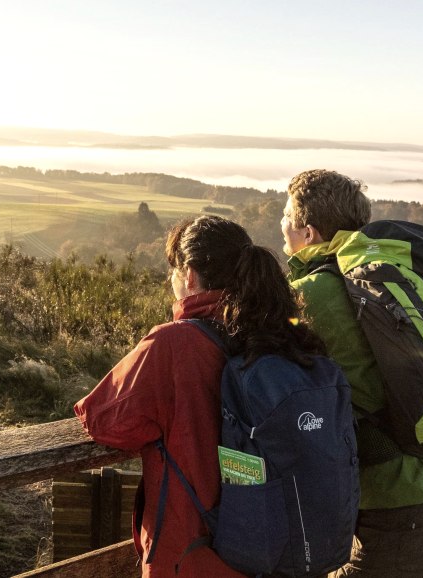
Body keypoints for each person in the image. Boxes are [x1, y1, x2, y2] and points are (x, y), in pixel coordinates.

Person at [75, 214, 329, 577]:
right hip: (273, 547)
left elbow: (104, 422)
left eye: (174, 270)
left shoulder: (174, 344)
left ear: (190, 275)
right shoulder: (284, 335)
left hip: (195, 555)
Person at [281, 169, 423, 578]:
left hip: (408, 515)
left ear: (307, 233)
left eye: (286, 219)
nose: (281, 227)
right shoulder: (395, 278)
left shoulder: (309, 295)